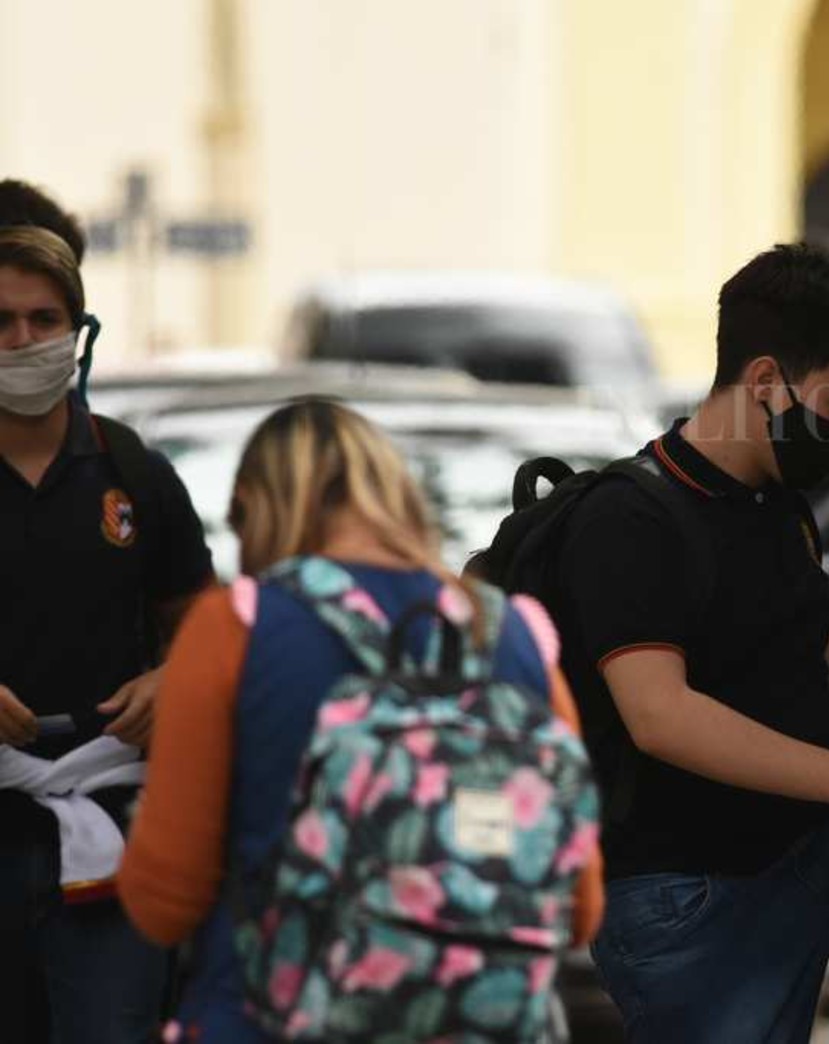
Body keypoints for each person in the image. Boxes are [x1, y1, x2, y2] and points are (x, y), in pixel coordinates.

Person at [523, 244, 829, 1041]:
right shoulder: (630, 521)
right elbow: (662, 713)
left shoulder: (774, 504)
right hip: (691, 898)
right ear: (764, 383)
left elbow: (793, 665)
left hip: (806, 853)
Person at [119, 398, 604, 1042]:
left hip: (271, 1016)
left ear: (254, 509)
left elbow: (165, 900)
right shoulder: (514, 633)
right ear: (401, 495)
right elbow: (579, 909)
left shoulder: (236, 627)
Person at [0, 192, 214, 1043]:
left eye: (43, 319)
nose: (22, 342)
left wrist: (174, 678)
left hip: (114, 827)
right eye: (2, 321)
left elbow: (202, 619)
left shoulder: (133, 469)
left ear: (78, 331)